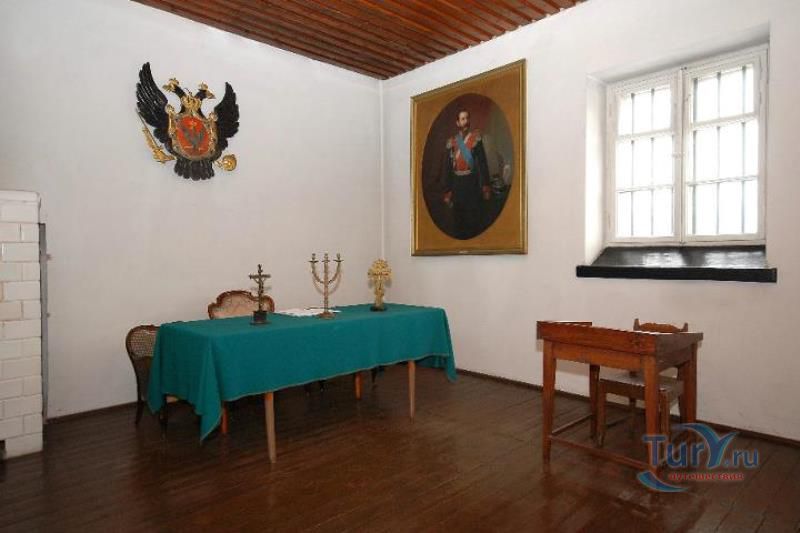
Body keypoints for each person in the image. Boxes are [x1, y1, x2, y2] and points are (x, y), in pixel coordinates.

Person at [441, 108, 491, 240]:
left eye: (467, 118)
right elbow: (447, 168)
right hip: (457, 184)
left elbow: (482, 164)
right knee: (458, 219)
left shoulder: (476, 139)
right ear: (457, 123)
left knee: (473, 219)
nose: (466, 121)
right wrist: (447, 191)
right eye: (463, 119)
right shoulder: (452, 141)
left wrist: (485, 186)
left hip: (472, 183)